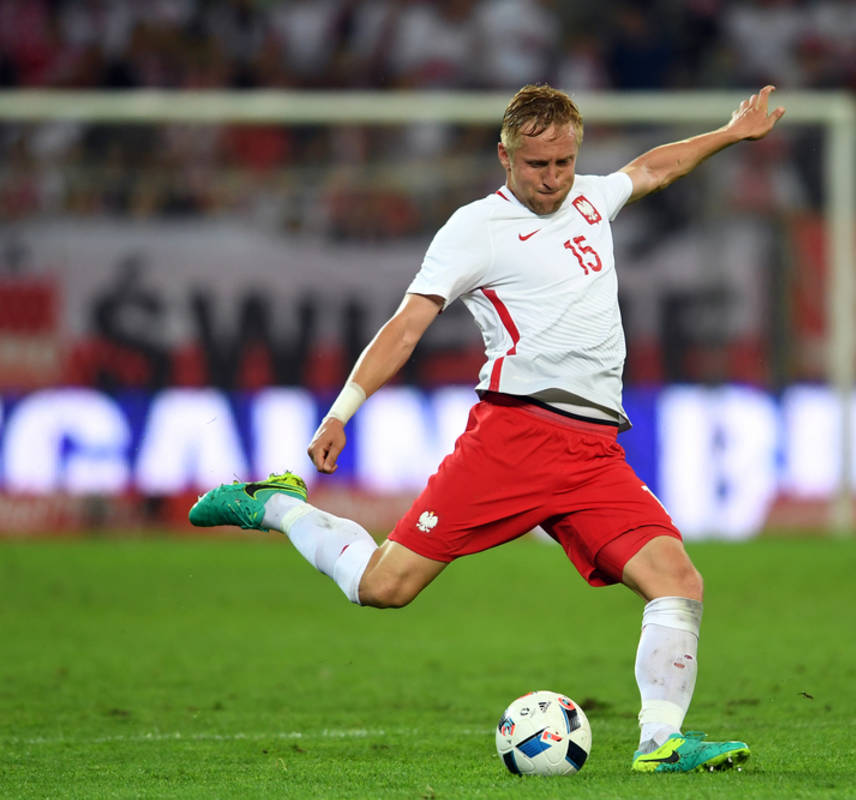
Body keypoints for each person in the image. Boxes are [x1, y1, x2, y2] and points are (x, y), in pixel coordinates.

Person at [190, 83, 785, 773]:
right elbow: (406, 326)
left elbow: (653, 167)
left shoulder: (590, 199)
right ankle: (279, 505)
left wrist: (730, 133)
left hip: (594, 452)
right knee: (384, 587)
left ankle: (660, 743)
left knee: (677, 579)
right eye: (538, 165)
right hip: (515, 439)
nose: (553, 179)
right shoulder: (475, 229)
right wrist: (340, 411)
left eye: (564, 162)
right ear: (504, 157)